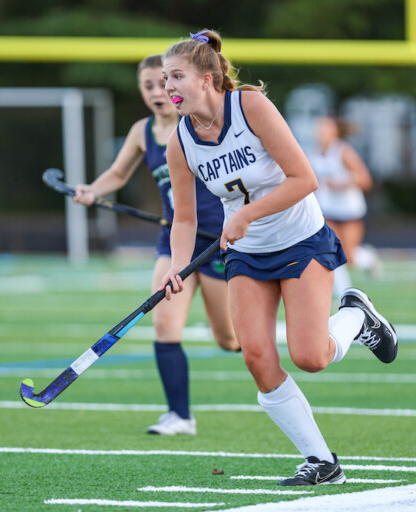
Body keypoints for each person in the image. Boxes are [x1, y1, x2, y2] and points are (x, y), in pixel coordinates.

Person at [160, 30, 397, 486]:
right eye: (163, 79)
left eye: (176, 77)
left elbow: (304, 178)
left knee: (310, 356)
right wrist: (175, 265)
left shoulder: (249, 107)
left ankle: (358, 318)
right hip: (247, 254)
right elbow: (184, 220)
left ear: (207, 79)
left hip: (300, 239)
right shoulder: (180, 143)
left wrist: (247, 213)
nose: (167, 87)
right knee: (256, 356)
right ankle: (322, 462)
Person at [73, 55, 239, 436]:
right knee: (164, 323)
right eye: (146, 86)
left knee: (229, 339)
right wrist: (92, 191)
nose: (156, 92)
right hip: (175, 239)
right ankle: (179, 416)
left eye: (160, 82)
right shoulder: (141, 131)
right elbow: (118, 172)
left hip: (217, 240)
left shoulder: (196, 123)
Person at [309, 116, 382, 297]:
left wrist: (343, 183)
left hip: (350, 210)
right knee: (332, 251)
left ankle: (369, 259)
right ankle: (344, 295)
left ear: (335, 131)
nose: (321, 133)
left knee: (349, 257)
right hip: (327, 209)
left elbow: (365, 180)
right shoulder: (313, 154)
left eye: (325, 129)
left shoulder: (343, 151)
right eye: (319, 129)